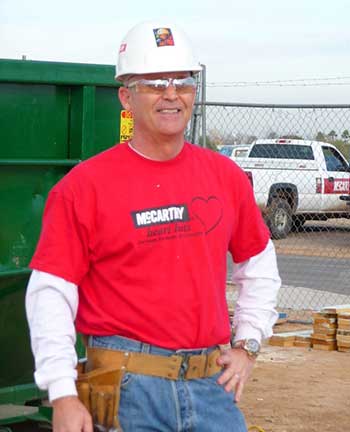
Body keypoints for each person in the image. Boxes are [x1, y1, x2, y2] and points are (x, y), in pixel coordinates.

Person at [26, 20, 281, 432]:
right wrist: (62, 394)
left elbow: (259, 260)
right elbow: (50, 294)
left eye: (182, 81)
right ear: (126, 97)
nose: (171, 93)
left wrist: (248, 343)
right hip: (127, 392)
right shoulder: (84, 188)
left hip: (209, 385)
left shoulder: (224, 176)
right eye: (155, 82)